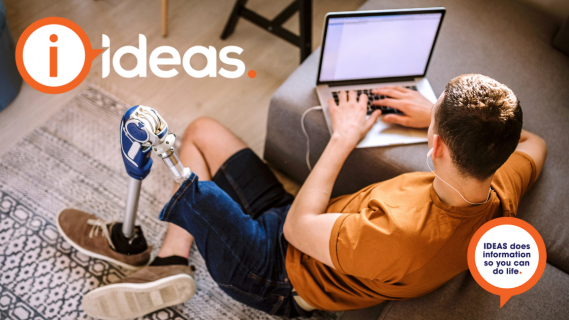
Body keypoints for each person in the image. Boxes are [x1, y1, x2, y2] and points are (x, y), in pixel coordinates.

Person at [58, 74, 547, 319]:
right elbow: (536, 144)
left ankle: (162, 256)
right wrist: (430, 112)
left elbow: (296, 231)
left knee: (195, 187)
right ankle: (171, 260)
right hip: (304, 223)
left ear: (436, 145)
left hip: (275, 271)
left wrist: (343, 135)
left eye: (432, 121)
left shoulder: (398, 231)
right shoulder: (499, 190)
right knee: (203, 130)